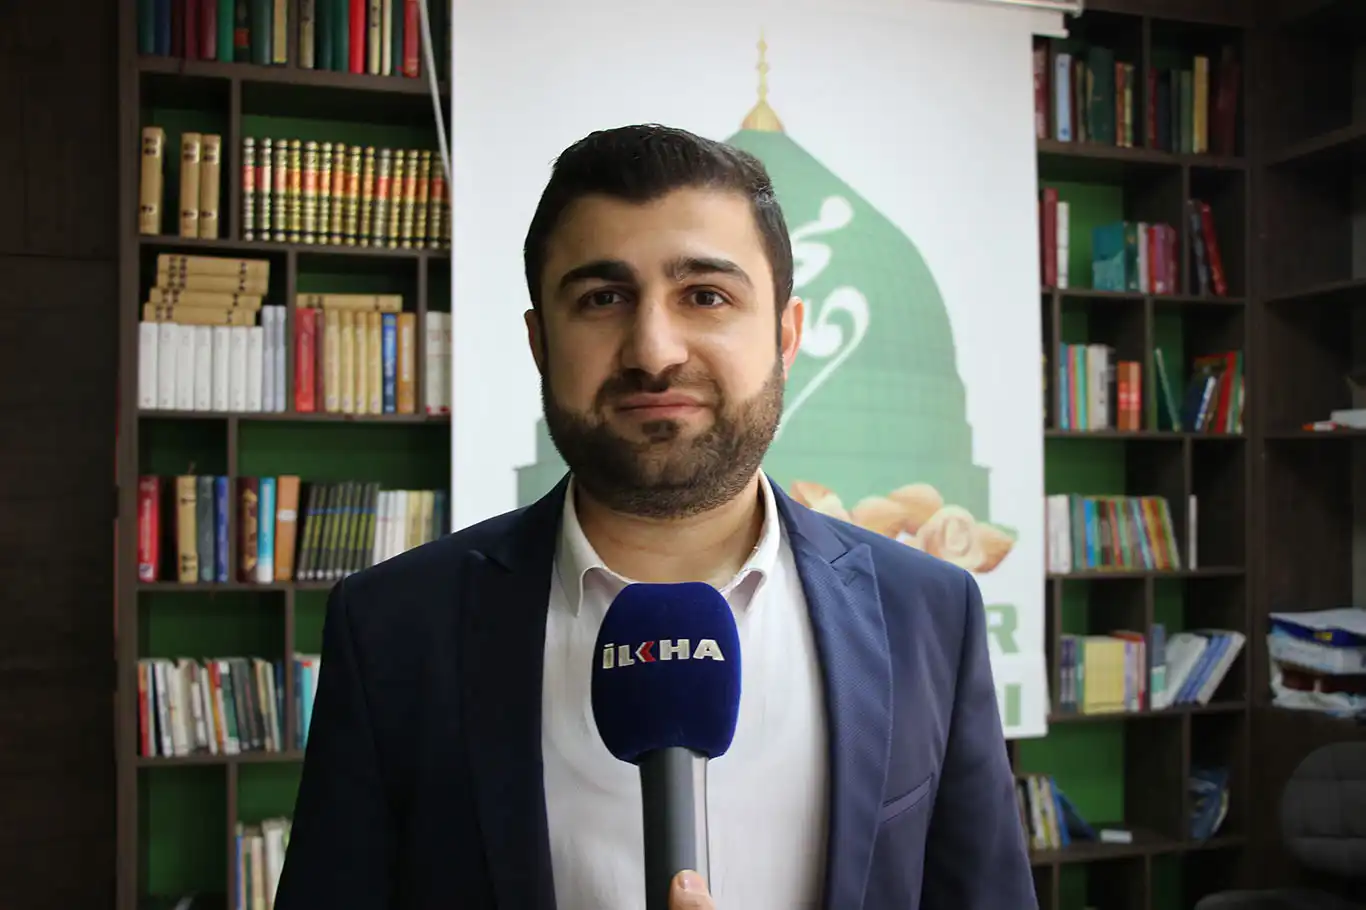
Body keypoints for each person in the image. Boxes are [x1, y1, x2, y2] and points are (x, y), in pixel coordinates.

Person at [273, 124, 1036, 910]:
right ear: (539, 342)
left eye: (705, 295)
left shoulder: (928, 613)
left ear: (786, 336)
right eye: (603, 299)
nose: (654, 350)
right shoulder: (394, 627)